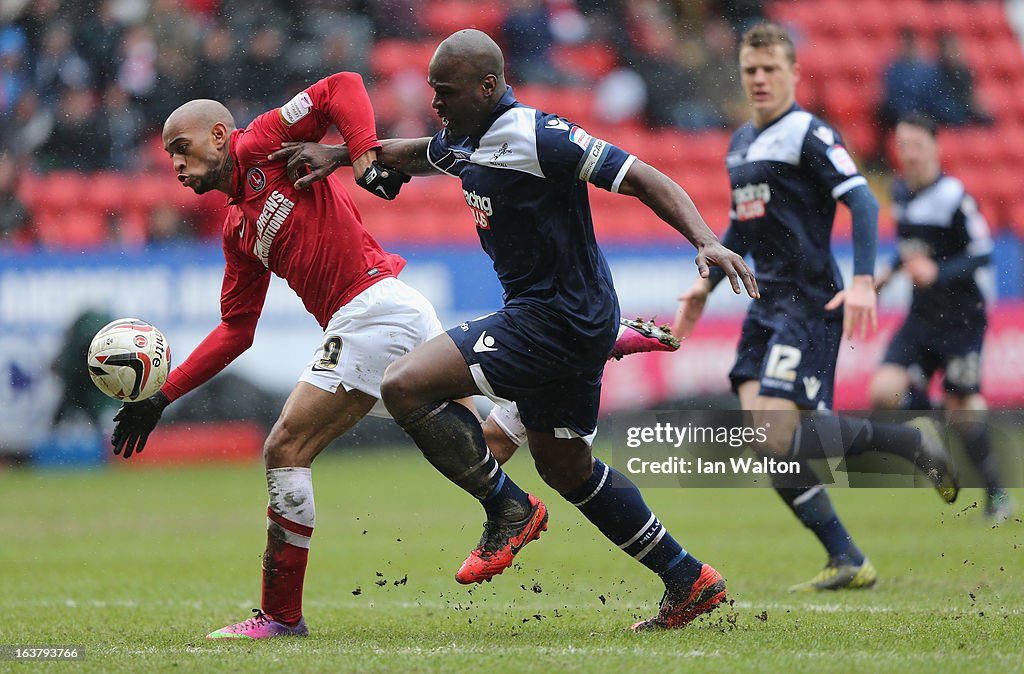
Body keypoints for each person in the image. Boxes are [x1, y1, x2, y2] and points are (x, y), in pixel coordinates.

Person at [272, 28, 759, 631]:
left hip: (554, 317)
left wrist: (707, 241)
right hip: (572, 319)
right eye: (432, 92)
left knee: (404, 385)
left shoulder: (538, 135)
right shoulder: (465, 137)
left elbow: (642, 177)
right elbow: (422, 153)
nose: (436, 104)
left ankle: (508, 508)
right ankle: (687, 579)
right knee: (566, 466)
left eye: (445, 93)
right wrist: (341, 156)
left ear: (488, 86)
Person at [108, 71, 441, 640]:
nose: (178, 167)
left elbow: (343, 85)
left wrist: (360, 158)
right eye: (169, 159)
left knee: (285, 448)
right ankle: (593, 349)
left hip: (369, 309)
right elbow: (236, 330)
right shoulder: (238, 229)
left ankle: (281, 616)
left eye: (182, 150)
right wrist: (161, 397)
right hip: (383, 314)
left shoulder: (262, 141)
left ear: (219, 135)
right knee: (497, 431)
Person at [674, 23, 959, 593]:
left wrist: (860, 281)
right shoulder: (739, 144)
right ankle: (849, 556)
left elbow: (860, 201)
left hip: (807, 303)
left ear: (794, 73)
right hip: (762, 304)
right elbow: (742, 223)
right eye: (751, 69)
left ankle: (907, 443)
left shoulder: (808, 132)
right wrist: (706, 281)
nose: (759, 79)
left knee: (777, 433)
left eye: (771, 69)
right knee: (767, 440)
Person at [871, 113, 1011, 522]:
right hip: (923, 315)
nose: (908, 154)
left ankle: (997, 494)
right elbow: (914, 246)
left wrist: (939, 272)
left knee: (964, 411)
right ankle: (928, 430)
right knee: (884, 391)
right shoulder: (900, 191)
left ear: (935, 148)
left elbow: (983, 253)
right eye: (903, 145)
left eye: (917, 145)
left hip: (963, 317)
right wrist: (891, 271)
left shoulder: (953, 196)